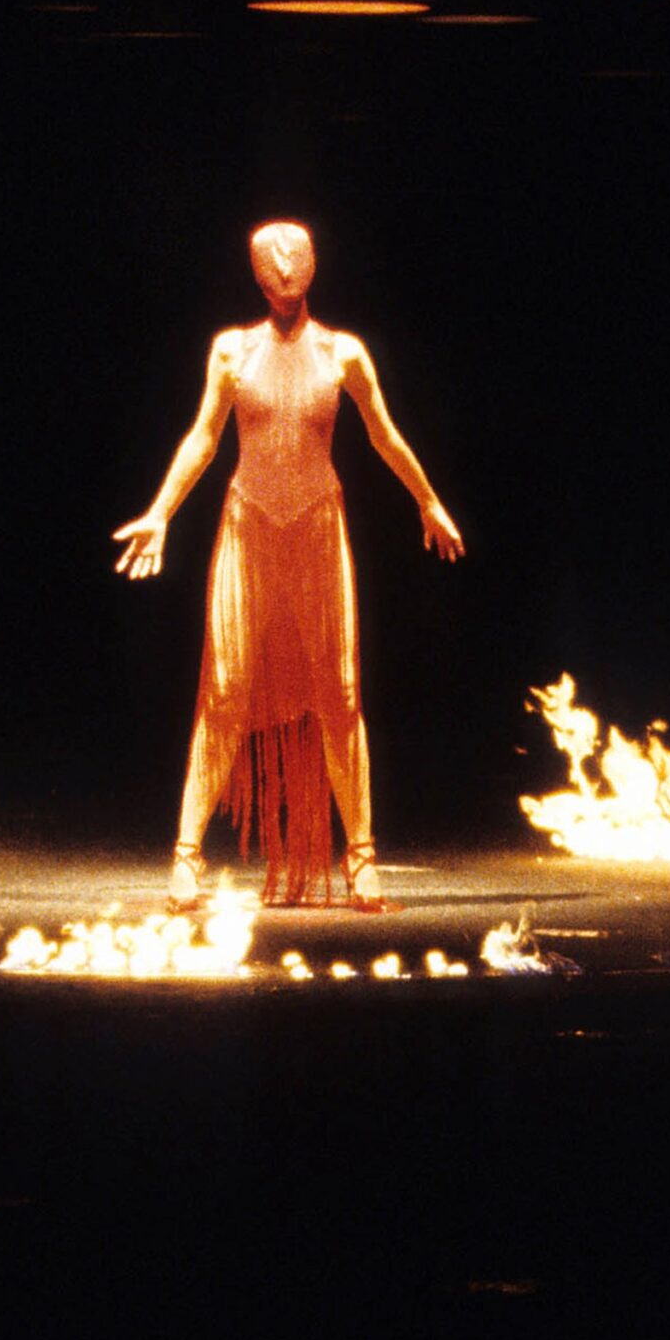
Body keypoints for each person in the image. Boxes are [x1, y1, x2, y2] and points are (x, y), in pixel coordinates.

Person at [114, 221, 464, 911]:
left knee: (338, 694)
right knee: (222, 690)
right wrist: (160, 511)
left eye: (294, 257)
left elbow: (384, 434)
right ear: (252, 272)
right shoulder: (230, 350)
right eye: (268, 261)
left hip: (316, 529)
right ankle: (185, 854)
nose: (282, 270)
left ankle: (361, 856)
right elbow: (202, 437)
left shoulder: (344, 353)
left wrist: (427, 500)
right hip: (247, 526)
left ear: (313, 264)